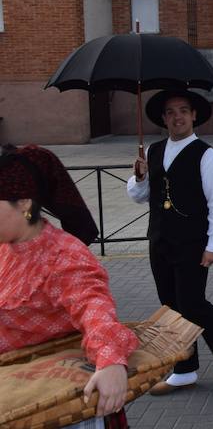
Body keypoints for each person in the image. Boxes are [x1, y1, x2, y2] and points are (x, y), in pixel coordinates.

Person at [1, 145, 138, 427]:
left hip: (59, 402)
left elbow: (95, 310)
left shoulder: (64, 256)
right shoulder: (6, 247)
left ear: (25, 203)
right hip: (15, 387)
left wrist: (111, 362)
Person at [127, 89, 213, 395]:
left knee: (191, 302)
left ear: (193, 116)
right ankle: (184, 369)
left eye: (183, 111)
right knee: (171, 306)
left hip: (192, 240)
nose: (177, 117)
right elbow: (140, 197)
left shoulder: (207, 155)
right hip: (160, 238)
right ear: (163, 119)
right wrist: (139, 178)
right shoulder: (153, 151)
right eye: (170, 112)